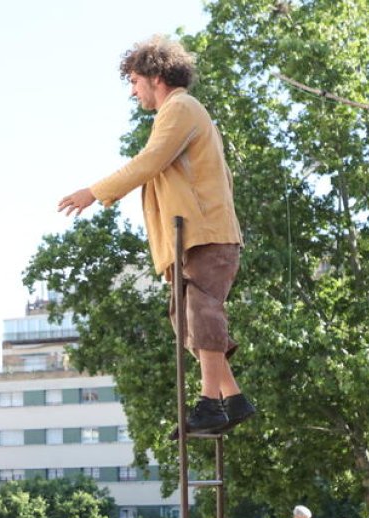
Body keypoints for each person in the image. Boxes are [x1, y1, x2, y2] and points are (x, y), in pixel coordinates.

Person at [58, 35, 254, 437]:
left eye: (134, 81)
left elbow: (149, 162)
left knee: (201, 313)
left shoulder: (180, 107)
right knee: (185, 321)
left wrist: (93, 192)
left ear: (156, 76)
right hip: (191, 239)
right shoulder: (177, 112)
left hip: (205, 236)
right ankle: (232, 399)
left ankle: (209, 403)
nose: (132, 91)